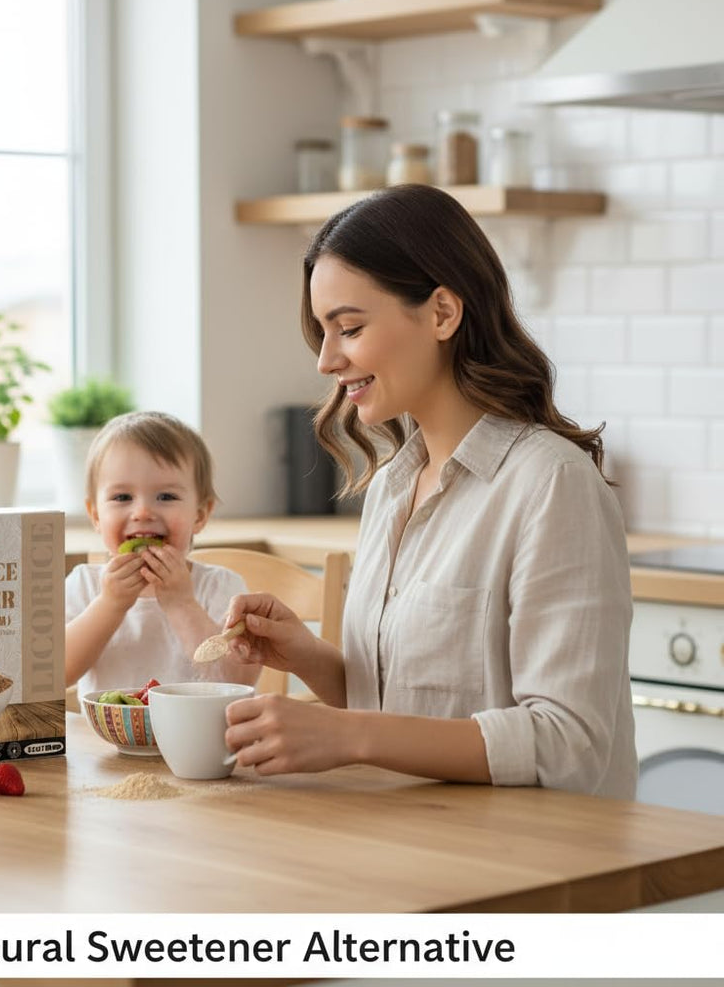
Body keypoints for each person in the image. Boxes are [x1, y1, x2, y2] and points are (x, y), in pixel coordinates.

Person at [223, 184, 636, 798]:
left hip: (523, 850)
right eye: (323, 333)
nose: (326, 361)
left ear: (442, 313)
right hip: (409, 836)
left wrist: (349, 735)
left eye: (349, 328)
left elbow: (569, 743)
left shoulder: (551, 485)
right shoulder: (392, 487)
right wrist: (307, 655)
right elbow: (399, 708)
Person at [65, 410, 259, 694]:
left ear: (200, 514)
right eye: (122, 497)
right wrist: (110, 604)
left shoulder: (220, 588)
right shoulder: (83, 584)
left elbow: (236, 682)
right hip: (108, 726)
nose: (143, 512)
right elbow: (54, 674)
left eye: (166, 496)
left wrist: (182, 603)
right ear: (95, 515)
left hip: (198, 725)